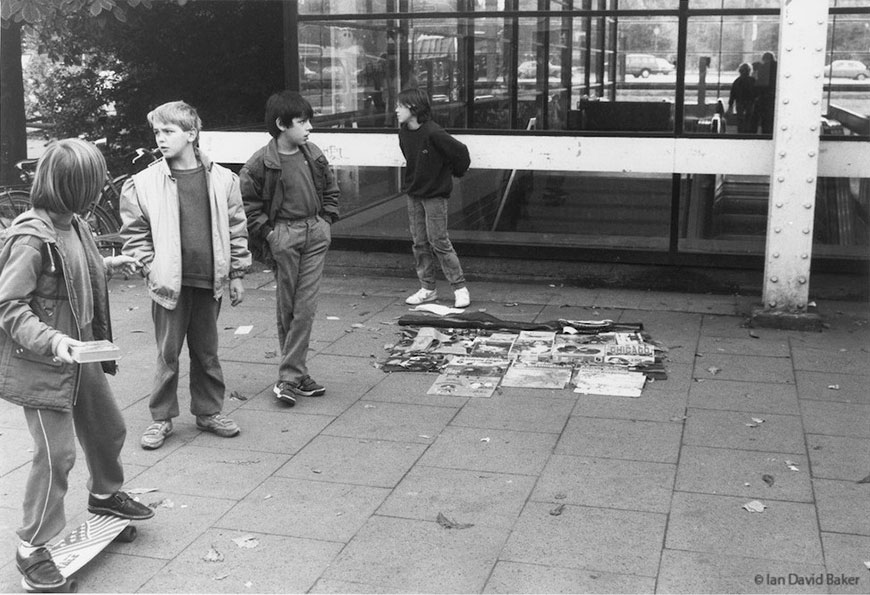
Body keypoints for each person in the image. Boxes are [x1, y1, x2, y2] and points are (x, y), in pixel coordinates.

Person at [0, 139, 154, 591]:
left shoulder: (75, 224)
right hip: (44, 361)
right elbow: (9, 305)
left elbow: (71, 271)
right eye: (95, 181)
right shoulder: (31, 237)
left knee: (108, 428)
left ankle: (105, 496)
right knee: (57, 455)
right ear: (74, 186)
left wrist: (110, 263)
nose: (102, 186)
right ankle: (32, 547)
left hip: (80, 349)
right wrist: (54, 341)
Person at [120, 101, 251, 450]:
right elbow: (134, 233)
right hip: (168, 285)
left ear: (191, 134)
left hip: (209, 282)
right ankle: (161, 419)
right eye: (157, 132)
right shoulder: (144, 182)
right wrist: (149, 266)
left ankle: (208, 412)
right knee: (167, 354)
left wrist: (237, 273)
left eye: (168, 131)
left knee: (207, 352)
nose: (160, 139)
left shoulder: (223, 179)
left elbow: (236, 229)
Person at [240, 91, 339, 407]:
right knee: (288, 308)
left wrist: (326, 220)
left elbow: (331, 188)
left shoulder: (312, 153)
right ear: (282, 124)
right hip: (284, 235)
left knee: (304, 307)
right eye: (302, 121)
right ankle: (298, 375)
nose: (309, 127)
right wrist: (269, 234)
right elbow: (246, 205)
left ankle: (288, 378)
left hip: (314, 232)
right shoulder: (260, 163)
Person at [395, 87, 471, 309]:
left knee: (438, 240)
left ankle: (459, 287)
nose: (396, 110)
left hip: (435, 194)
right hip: (414, 193)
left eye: (400, 106)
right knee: (419, 242)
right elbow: (411, 159)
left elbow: (461, 153)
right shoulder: (403, 133)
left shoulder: (433, 132)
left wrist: (453, 174)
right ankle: (428, 288)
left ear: (413, 107)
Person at [727, 62, 756, 133]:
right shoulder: (753, 80)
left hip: (740, 102)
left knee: (740, 118)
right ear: (749, 71)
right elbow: (756, 92)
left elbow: (732, 94)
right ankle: (748, 132)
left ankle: (740, 132)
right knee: (749, 118)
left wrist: (730, 105)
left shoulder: (737, 81)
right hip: (750, 102)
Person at [754, 51, 777, 134]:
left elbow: (759, 82)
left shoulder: (763, 67)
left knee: (765, 117)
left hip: (764, 95)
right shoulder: (779, 66)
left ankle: (765, 133)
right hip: (775, 95)